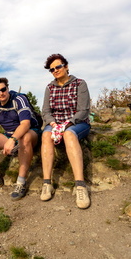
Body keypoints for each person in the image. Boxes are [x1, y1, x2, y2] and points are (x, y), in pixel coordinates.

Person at [40, 54, 91, 209]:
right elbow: (45, 111)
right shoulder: (49, 87)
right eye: (52, 69)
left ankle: (80, 186)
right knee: (46, 134)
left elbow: (84, 110)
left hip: (77, 122)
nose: (55, 70)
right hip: (56, 123)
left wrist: (68, 124)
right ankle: (47, 183)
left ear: (66, 66)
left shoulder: (80, 84)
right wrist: (53, 124)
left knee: (69, 134)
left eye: (58, 67)